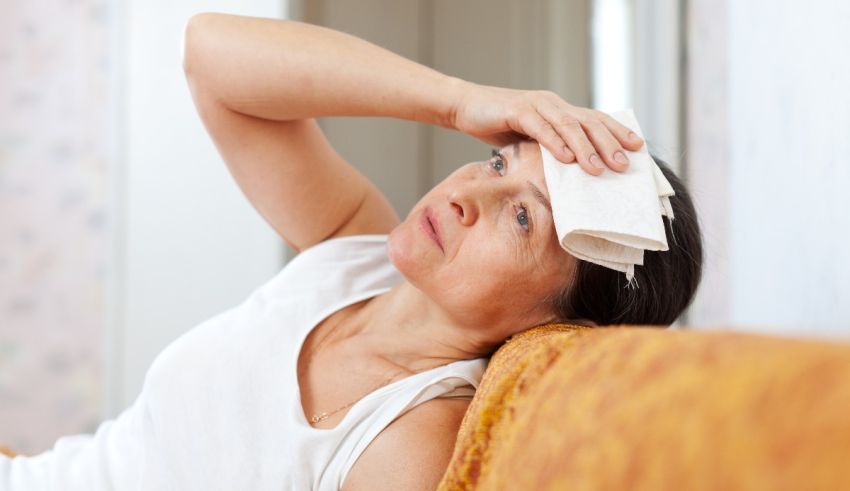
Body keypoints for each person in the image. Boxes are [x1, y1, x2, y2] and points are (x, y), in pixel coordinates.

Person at [0, 12, 703, 491]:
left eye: (523, 217)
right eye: (498, 162)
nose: (465, 193)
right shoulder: (352, 254)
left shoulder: (408, 441)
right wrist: (459, 101)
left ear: (556, 323)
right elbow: (209, 53)